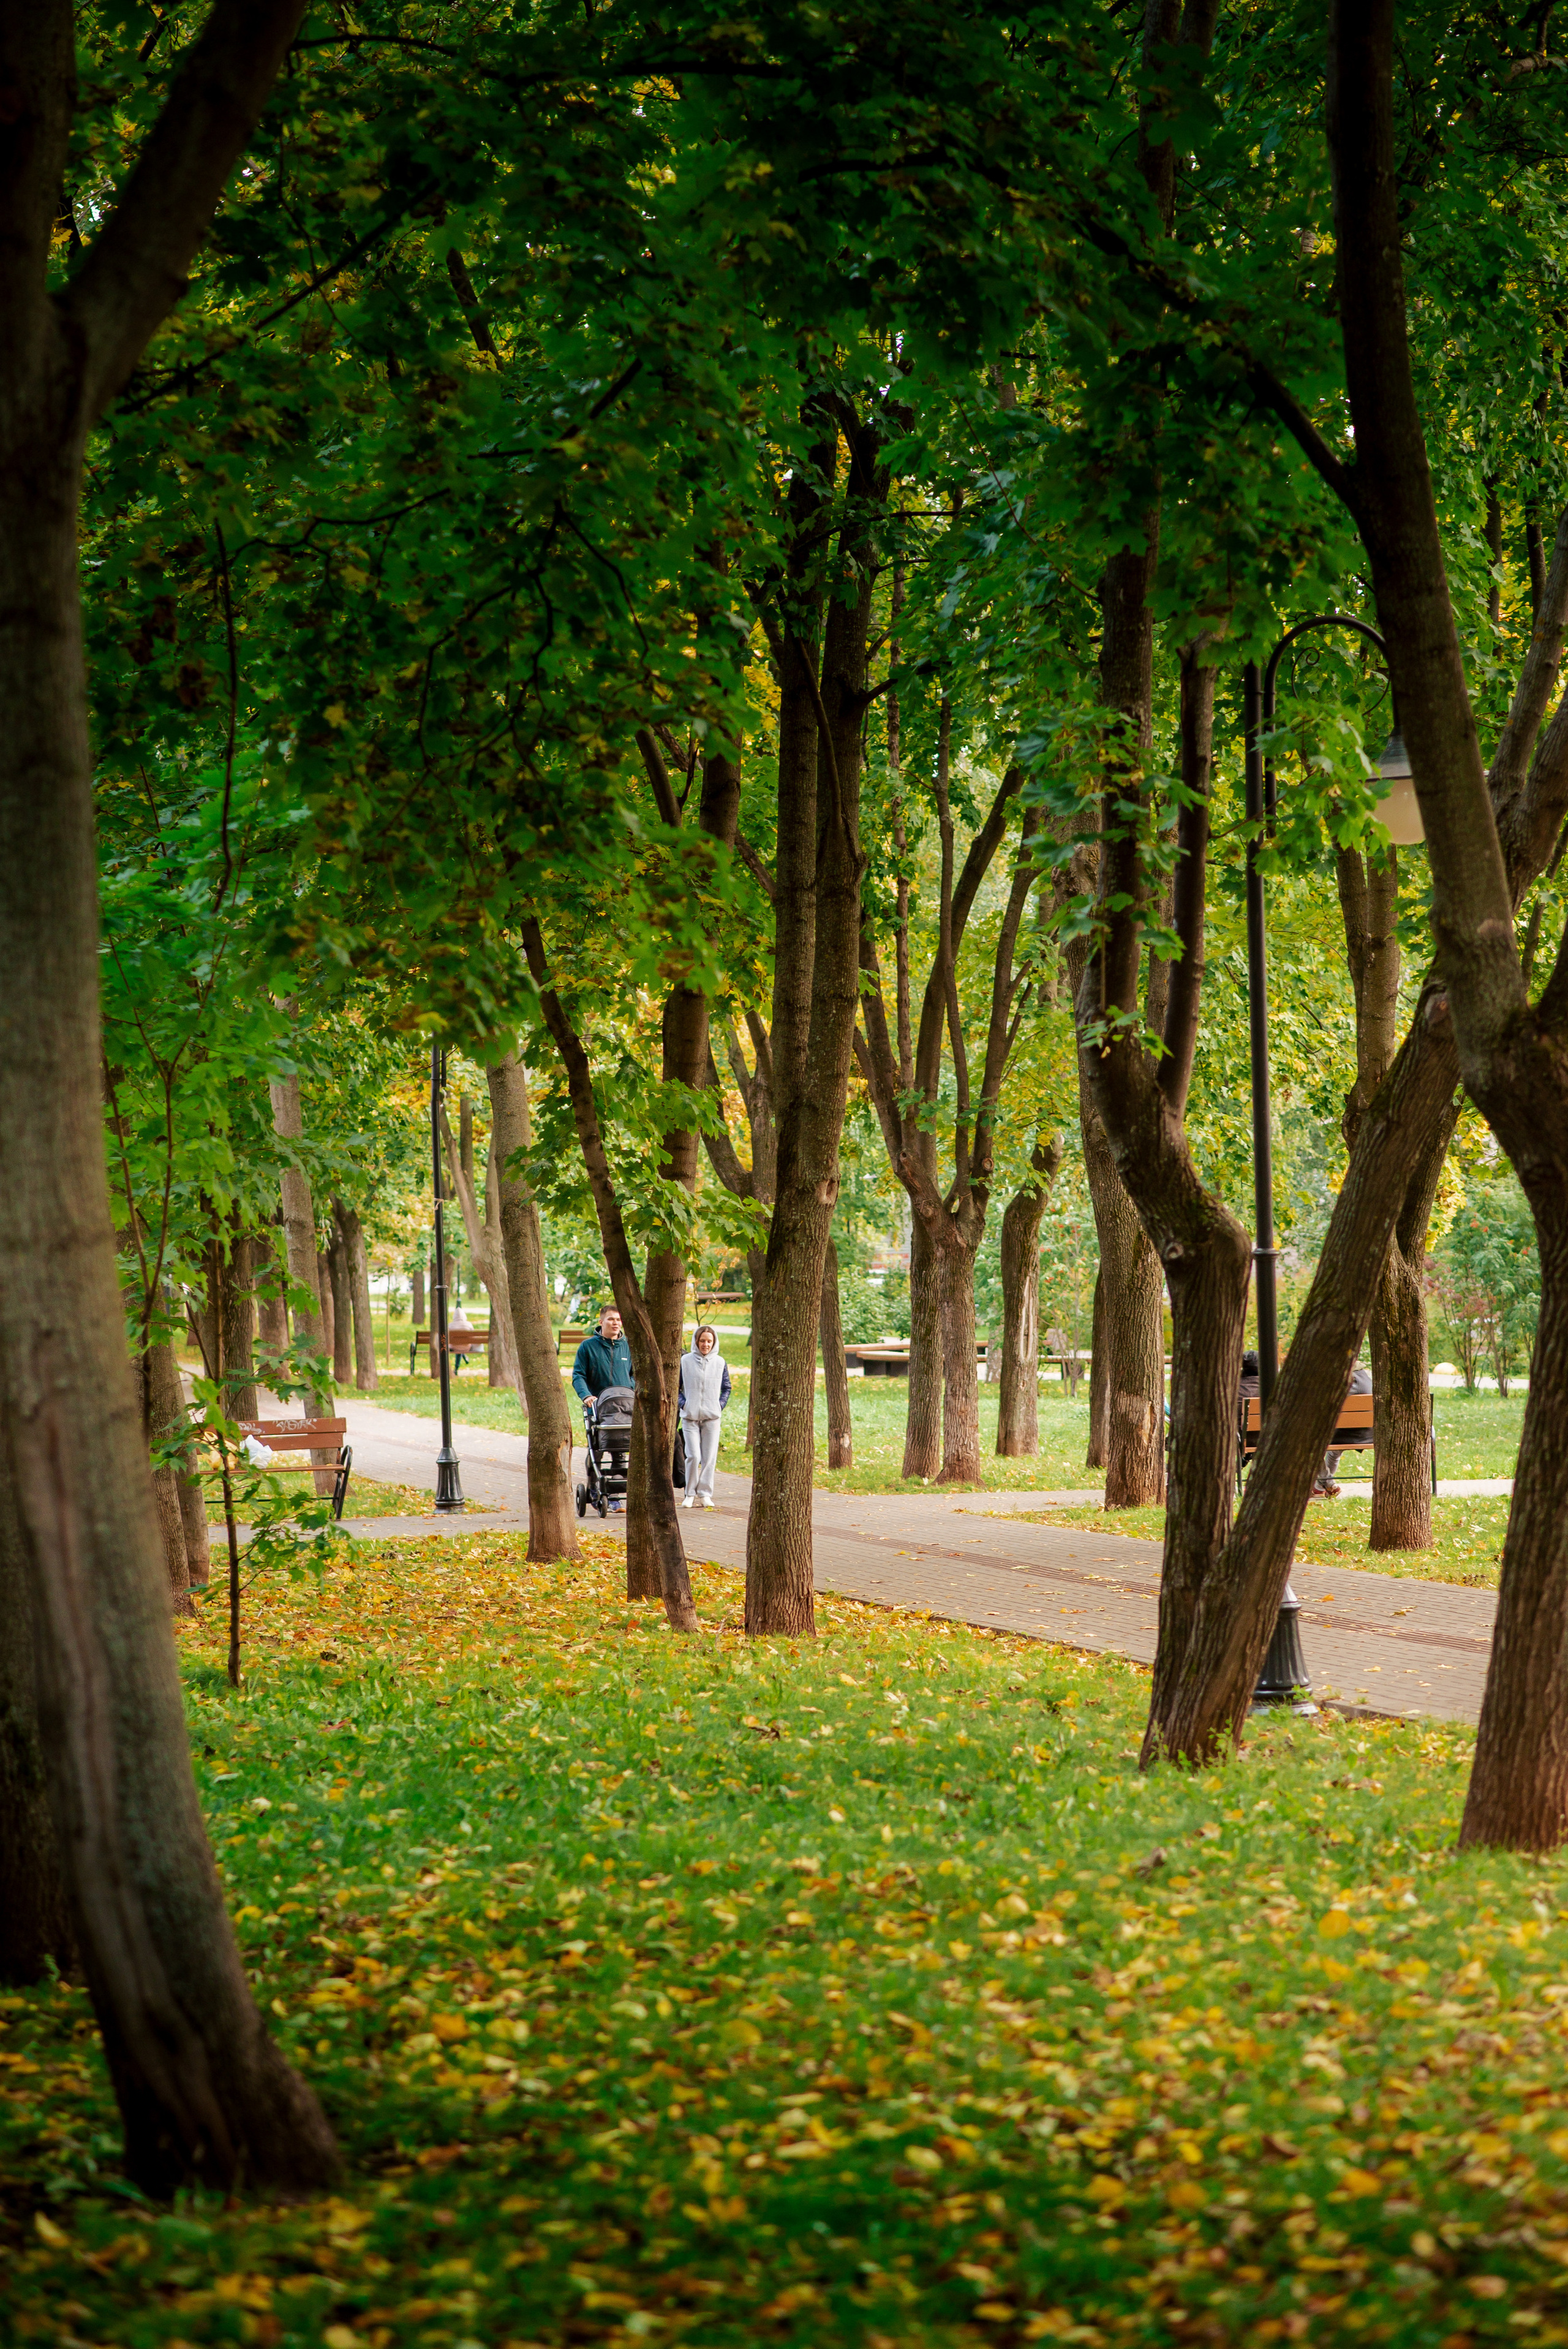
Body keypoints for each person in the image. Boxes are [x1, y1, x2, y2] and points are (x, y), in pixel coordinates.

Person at [571, 1304, 635, 1512]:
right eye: (611, 1319)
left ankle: (614, 1496)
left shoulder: (628, 1346)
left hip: (624, 1409)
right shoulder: (588, 1347)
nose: (615, 1323)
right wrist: (586, 1395)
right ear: (601, 1322)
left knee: (619, 1452)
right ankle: (593, 1487)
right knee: (596, 1452)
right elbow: (578, 1375)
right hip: (597, 1409)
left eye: (618, 1319)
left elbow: (634, 1375)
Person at [679, 1322, 731, 1510]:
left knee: (709, 1457)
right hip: (690, 1417)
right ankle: (690, 1494)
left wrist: (719, 1405)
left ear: (714, 1342)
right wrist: (683, 1403)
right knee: (693, 1455)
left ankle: (705, 1494)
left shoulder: (720, 1363)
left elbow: (727, 1388)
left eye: (709, 1341)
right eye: (702, 1341)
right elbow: (676, 1388)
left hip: (712, 1418)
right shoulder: (685, 1361)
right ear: (696, 1341)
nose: (706, 1345)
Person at [1317, 1358, 1373, 1497]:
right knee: (1334, 1452)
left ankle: (1328, 1484)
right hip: (1369, 1433)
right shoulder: (1364, 1376)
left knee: (1307, 1444)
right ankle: (1319, 1488)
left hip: (1350, 1433)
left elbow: (1323, 1403)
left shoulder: (1347, 1381)